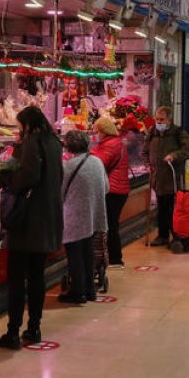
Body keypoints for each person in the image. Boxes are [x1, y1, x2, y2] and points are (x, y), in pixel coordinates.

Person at [0, 106, 64, 350]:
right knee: (36, 278)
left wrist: (1, 179)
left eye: (20, 125)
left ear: (27, 124)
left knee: (16, 280)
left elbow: (28, 177)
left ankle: (13, 332)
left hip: (27, 222)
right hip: (46, 220)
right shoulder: (53, 141)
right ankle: (34, 327)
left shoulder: (33, 141)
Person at [60, 130, 109, 304]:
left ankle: (77, 292)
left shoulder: (67, 167)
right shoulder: (97, 161)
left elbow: (59, 192)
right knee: (88, 252)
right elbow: (107, 186)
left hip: (74, 216)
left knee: (74, 253)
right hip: (94, 213)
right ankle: (90, 290)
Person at [145, 106, 189, 246]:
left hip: (173, 177)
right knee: (161, 208)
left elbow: (188, 150)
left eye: (162, 119)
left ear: (169, 120)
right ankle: (162, 235)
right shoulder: (152, 132)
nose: (158, 122)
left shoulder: (179, 133)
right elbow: (144, 151)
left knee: (173, 208)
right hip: (157, 177)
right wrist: (147, 164)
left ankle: (177, 235)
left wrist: (174, 155)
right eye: (157, 119)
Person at [92, 117, 129, 269]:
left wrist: (86, 155)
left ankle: (115, 259)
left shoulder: (111, 145)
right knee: (111, 224)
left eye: (96, 131)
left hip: (113, 190)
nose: (95, 135)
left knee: (110, 225)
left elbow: (99, 163)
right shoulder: (113, 142)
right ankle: (111, 257)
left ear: (103, 131)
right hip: (117, 189)